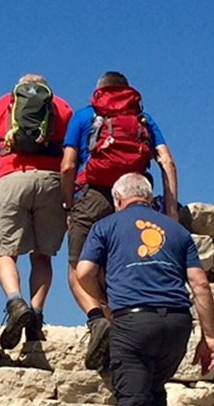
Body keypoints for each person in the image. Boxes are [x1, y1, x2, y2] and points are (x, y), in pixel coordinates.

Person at [71, 172, 214, 406]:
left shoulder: (106, 226)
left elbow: (84, 272)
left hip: (132, 322)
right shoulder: (177, 231)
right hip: (176, 324)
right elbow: (200, 283)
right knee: (154, 390)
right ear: (150, 199)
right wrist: (209, 336)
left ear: (117, 199)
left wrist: (105, 303)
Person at [0, 73, 73, 347]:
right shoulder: (61, 107)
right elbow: (72, 156)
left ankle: (15, 301)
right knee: (42, 257)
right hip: (51, 182)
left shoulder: (4, 104)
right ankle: (36, 315)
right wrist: (70, 199)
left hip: (12, 178)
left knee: (6, 253)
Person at [61, 71, 180, 314]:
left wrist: (69, 205)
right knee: (122, 265)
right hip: (135, 200)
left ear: (99, 91)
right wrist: (171, 211)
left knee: (77, 268)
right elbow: (167, 161)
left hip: (92, 196)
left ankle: (99, 320)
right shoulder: (143, 118)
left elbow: (68, 166)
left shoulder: (83, 116)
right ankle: (120, 321)